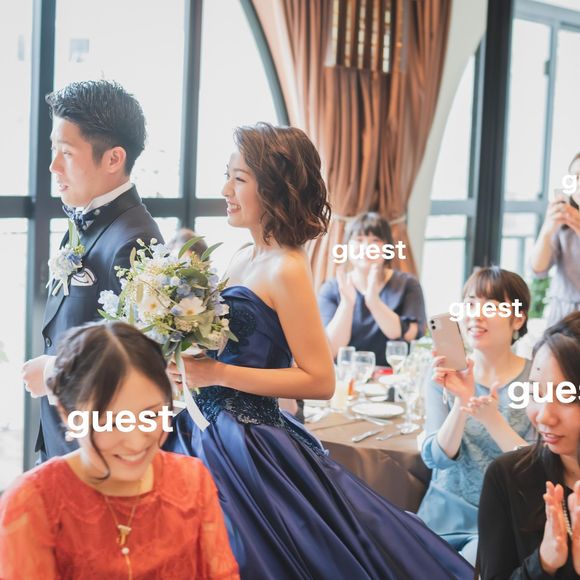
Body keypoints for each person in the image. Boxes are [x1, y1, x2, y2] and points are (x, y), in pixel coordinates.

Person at [163, 122, 473, 579]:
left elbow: (320, 379)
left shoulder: (287, 267)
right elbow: (229, 349)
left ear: (273, 188)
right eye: (227, 176)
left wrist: (217, 374)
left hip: (248, 441)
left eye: (239, 178)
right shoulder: (242, 255)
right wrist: (188, 364)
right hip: (204, 426)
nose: (226, 189)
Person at [0, 322, 239, 579]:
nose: (135, 442)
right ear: (68, 414)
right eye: (111, 422)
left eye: (151, 416)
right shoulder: (33, 501)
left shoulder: (191, 479)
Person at [21, 80, 162, 461]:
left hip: (98, 453)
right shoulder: (87, 220)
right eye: (54, 149)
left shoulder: (135, 239)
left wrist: (53, 371)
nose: (53, 166)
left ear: (114, 159)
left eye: (67, 153)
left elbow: (141, 364)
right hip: (63, 443)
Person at [417, 267, 535, 565]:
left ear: (518, 319)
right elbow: (436, 458)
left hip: (501, 518)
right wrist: (462, 401)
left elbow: (538, 467)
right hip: (440, 515)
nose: (475, 315)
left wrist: (492, 420)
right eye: (470, 304)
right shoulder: (444, 374)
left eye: (491, 306)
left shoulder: (537, 378)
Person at [478, 311, 580, 579]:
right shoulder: (508, 477)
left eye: (567, 397)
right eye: (536, 392)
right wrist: (543, 563)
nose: (544, 416)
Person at [318, 212, 426, 366]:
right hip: (346, 376)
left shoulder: (407, 284)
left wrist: (374, 302)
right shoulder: (332, 288)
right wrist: (347, 304)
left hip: (393, 376)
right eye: (359, 240)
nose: (367, 247)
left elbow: (412, 334)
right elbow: (331, 350)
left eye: (376, 240)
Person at [530, 153, 580, 326]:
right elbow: (538, 269)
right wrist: (548, 228)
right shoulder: (563, 221)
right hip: (562, 315)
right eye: (575, 177)